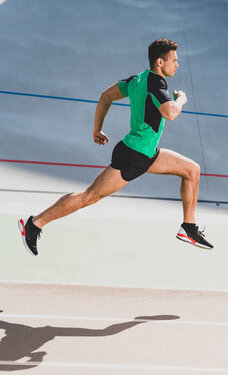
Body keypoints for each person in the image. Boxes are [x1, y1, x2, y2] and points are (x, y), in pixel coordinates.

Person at [18, 38, 213, 256]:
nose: (177, 64)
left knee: (191, 170)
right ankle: (34, 224)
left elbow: (106, 96)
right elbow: (170, 113)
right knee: (89, 196)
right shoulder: (156, 82)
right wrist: (181, 100)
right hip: (135, 155)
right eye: (174, 60)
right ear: (160, 62)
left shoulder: (137, 80)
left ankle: (188, 227)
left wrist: (96, 128)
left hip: (146, 153)